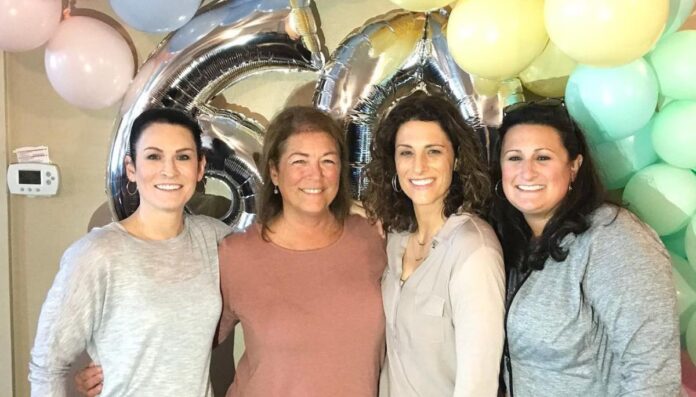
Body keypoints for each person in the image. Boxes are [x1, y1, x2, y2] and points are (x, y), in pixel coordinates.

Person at [29, 108, 233, 396]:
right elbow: (47, 367)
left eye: (183, 156)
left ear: (200, 168)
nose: (169, 170)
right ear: (131, 168)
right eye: (153, 156)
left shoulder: (212, 237)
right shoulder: (96, 254)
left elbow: (270, 258)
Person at [489, 100, 681, 396]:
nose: (526, 173)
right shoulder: (515, 243)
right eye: (514, 158)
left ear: (574, 167)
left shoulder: (612, 237)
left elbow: (651, 374)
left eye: (543, 158)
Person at [215, 106, 387, 396]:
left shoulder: (372, 237)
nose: (315, 175)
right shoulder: (236, 255)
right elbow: (189, 338)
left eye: (327, 161)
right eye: (299, 161)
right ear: (274, 172)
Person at [363, 93, 506, 396]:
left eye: (433, 151)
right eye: (406, 153)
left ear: (455, 159)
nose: (419, 166)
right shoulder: (396, 238)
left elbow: (478, 386)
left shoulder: (473, 250)